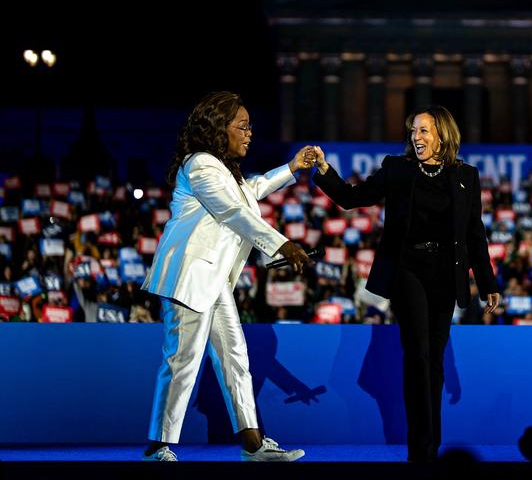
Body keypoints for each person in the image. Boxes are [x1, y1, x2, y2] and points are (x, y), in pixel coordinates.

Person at [311, 105, 500, 462]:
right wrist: (323, 169)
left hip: (446, 272)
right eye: (413, 131)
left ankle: (432, 444)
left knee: (436, 361)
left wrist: (487, 280)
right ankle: (421, 450)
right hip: (407, 268)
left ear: (442, 134)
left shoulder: (466, 177)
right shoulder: (397, 169)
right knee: (418, 354)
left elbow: (475, 234)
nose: (417, 137)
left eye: (424, 131)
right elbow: (353, 198)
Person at [141, 91, 315, 461]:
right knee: (181, 361)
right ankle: (158, 446)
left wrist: (291, 167)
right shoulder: (201, 164)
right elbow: (232, 210)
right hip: (188, 277)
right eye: (242, 126)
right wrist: (281, 245)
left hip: (213, 280)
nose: (250, 133)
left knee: (235, 356)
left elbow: (249, 193)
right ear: (220, 128)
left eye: (250, 126)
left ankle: (253, 443)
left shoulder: (221, 169)